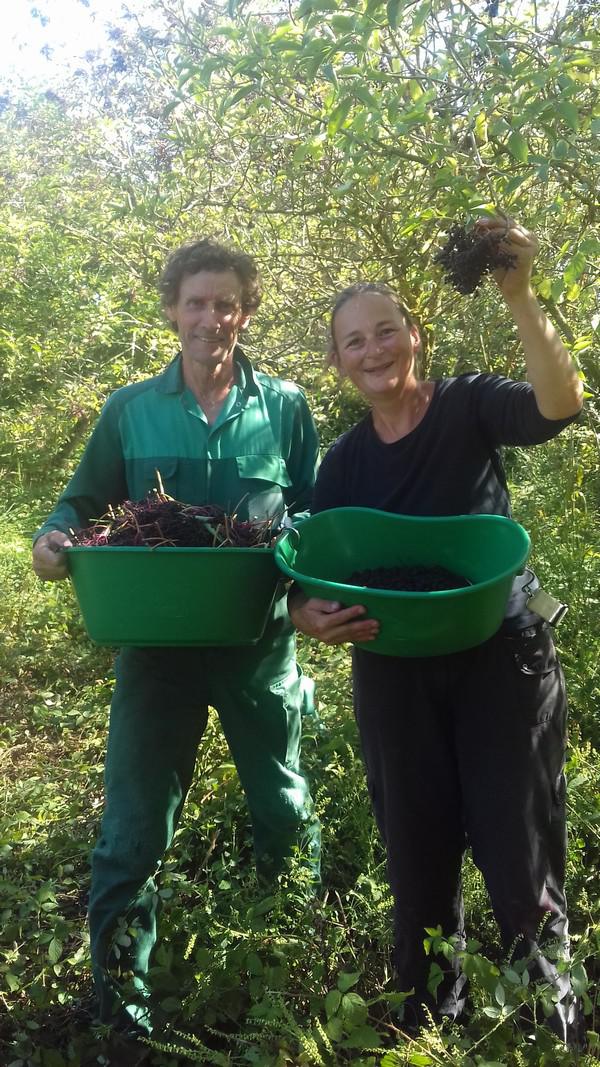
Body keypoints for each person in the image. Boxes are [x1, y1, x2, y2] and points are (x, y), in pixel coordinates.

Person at [289, 217, 583, 1042]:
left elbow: (561, 403)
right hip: (392, 669)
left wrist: (520, 292)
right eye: (355, 340)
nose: (374, 348)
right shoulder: (343, 463)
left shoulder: (468, 404)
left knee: (518, 847)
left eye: (388, 330)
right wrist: (301, 613)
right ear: (337, 362)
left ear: (416, 335)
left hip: (501, 661)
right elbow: (308, 567)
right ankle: (425, 1022)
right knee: (416, 854)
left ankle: (552, 1023)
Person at [32, 238, 321, 1037]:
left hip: (256, 644)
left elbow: (314, 518)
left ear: (247, 309)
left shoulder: (286, 406)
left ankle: (289, 982)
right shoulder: (131, 408)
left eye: (225, 302)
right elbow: (80, 503)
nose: (210, 317)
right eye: (195, 301)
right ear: (170, 308)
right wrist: (52, 543)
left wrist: (312, 594)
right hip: (155, 650)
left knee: (284, 808)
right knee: (131, 827)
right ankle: (120, 1013)